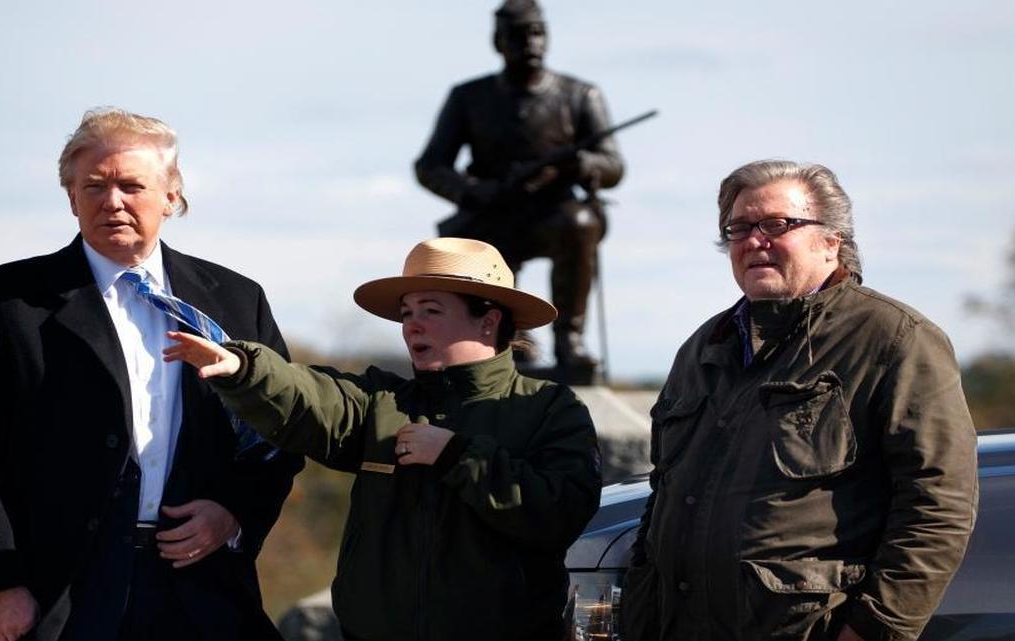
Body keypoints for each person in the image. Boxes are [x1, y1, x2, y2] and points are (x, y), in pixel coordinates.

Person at [0, 107, 303, 641]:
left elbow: (280, 430)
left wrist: (235, 514)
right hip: (51, 596)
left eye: (131, 185)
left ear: (172, 196)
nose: (113, 201)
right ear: (71, 197)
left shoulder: (239, 301)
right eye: (94, 186)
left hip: (199, 589)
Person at [164, 237, 604, 641]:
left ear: (488, 321)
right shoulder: (382, 400)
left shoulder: (549, 409)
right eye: (407, 313)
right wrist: (246, 368)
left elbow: (560, 512)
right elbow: (311, 396)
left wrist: (456, 456)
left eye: (430, 311)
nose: (412, 326)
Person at [618, 160, 979, 641]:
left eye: (777, 225)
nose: (753, 241)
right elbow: (663, 494)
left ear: (831, 241)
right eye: (739, 228)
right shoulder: (703, 347)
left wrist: (875, 630)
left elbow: (939, 506)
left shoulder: (893, 339)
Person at [413, 0, 624, 381]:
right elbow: (429, 166)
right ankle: (508, 342)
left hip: (552, 213)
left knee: (580, 223)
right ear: (498, 42)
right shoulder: (468, 97)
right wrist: (471, 192)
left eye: (537, 32)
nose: (530, 42)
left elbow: (612, 165)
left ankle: (569, 341)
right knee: (474, 241)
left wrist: (584, 165)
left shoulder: (580, 95)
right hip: (491, 214)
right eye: (518, 34)